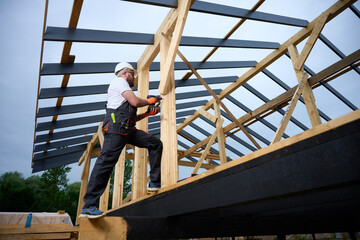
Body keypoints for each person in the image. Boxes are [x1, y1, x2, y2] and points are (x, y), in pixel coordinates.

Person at [80, 62, 163, 217]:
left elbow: (130, 117)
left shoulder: (123, 88)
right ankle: (89, 205)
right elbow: (136, 102)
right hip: (116, 129)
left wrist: (146, 114)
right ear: (125, 73)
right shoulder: (119, 82)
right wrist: (150, 101)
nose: (134, 78)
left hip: (127, 129)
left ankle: (154, 182)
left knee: (155, 143)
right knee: (106, 162)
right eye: (133, 74)